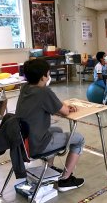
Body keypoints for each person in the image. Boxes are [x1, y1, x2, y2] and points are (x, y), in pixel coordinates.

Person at [15, 59, 85, 192]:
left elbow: (53, 106)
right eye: (48, 74)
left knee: (57, 129)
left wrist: (61, 106)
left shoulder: (25, 88)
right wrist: (65, 107)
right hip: (37, 144)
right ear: (43, 77)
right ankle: (65, 179)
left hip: (22, 142)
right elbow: (64, 111)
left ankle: (49, 170)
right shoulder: (43, 92)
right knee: (79, 139)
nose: (49, 76)